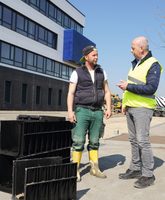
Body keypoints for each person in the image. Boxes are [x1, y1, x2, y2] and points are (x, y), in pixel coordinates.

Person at [116, 36, 163, 189]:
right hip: (131, 107)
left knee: (142, 140)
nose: (131, 50)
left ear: (141, 48)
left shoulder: (153, 64)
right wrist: (124, 103)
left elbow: (151, 88)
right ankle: (135, 169)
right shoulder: (135, 64)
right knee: (133, 140)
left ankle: (148, 175)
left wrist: (128, 87)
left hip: (143, 108)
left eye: (133, 48)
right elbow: (131, 85)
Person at [67, 45, 112, 182]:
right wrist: (70, 111)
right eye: (93, 55)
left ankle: (94, 168)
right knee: (78, 141)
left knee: (94, 141)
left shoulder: (101, 72)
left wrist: (108, 108)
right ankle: (75, 170)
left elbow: (107, 91)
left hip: (98, 111)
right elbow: (71, 92)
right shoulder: (77, 72)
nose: (96, 57)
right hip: (82, 110)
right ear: (86, 57)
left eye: (97, 55)